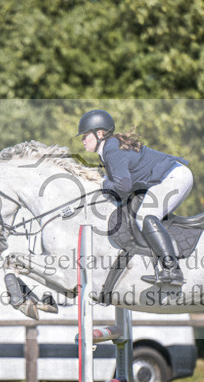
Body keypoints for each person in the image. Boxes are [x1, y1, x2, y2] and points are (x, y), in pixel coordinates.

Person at [77, 109, 193, 286]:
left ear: (99, 133)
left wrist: (102, 183)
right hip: (168, 178)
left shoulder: (112, 150)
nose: (82, 140)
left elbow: (123, 187)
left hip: (175, 178)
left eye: (86, 136)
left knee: (145, 216)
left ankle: (172, 270)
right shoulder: (110, 149)